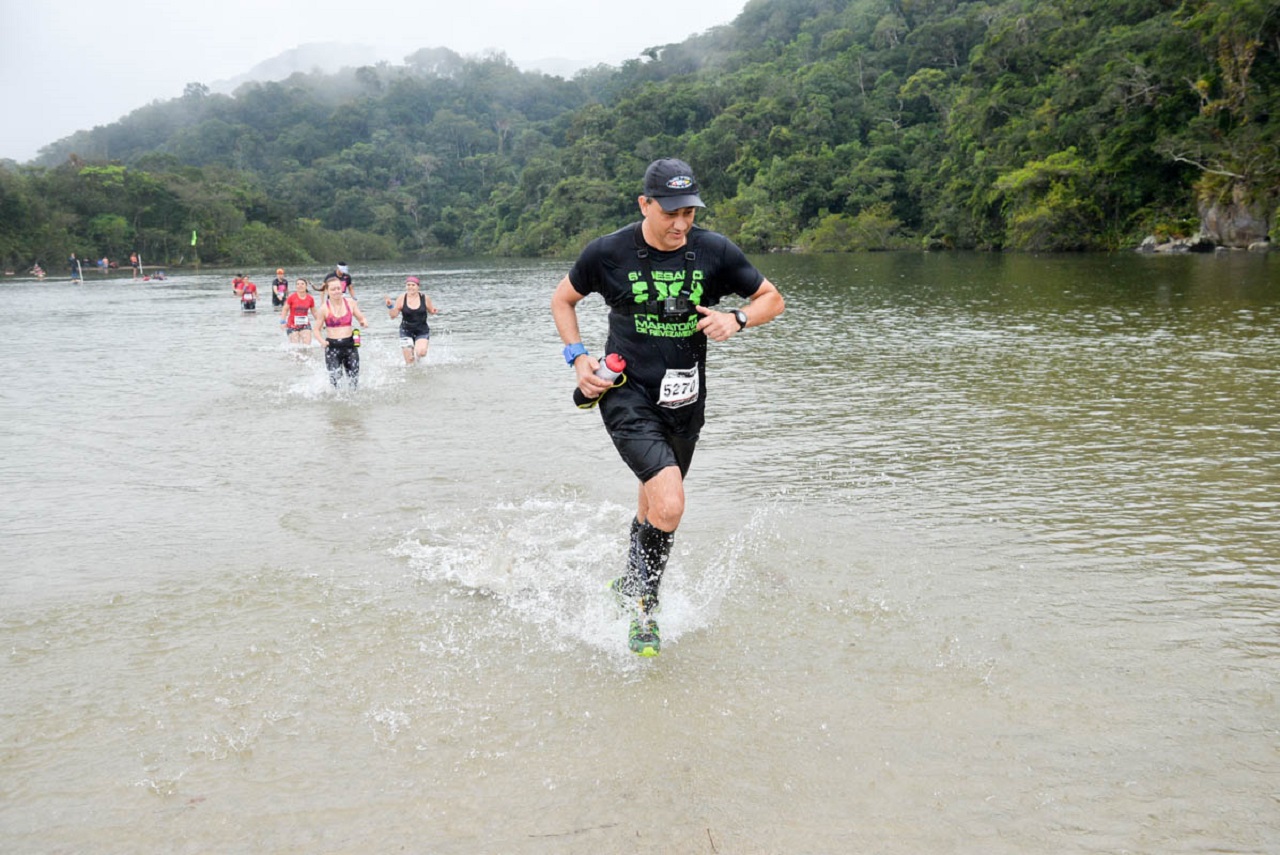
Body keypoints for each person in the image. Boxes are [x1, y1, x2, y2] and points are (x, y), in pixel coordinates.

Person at [550, 157, 785, 656]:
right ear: (646, 204)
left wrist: (737, 319)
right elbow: (562, 300)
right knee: (672, 504)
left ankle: (628, 581)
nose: (681, 224)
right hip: (626, 394)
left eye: (690, 213)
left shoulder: (714, 251)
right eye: (670, 213)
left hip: (685, 400)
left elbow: (772, 298)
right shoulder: (609, 253)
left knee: (654, 500)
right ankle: (643, 609)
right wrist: (578, 359)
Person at [315, 273, 368, 388]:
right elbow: (316, 330)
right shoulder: (323, 308)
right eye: (333, 289)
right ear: (327, 291)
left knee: (353, 380)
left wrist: (363, 322)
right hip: (332, 347)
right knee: (335, 383)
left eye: (338, 288)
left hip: (350, 345)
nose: (336, 291)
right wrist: (322, 342)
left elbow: (361, 317)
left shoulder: (350, 303)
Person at [385, 275, 439, 365]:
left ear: (418, 287)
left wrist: (434, 311)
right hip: (406, 330)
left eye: (413, 285)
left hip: (422, 330)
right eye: (408, 285)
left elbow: (431, 310)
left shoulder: (425, 298)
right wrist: (390, 306)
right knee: (409, 362)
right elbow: (393, 316)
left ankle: (418, 360)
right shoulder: (402, 298)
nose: (410, 287)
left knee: (421, 353)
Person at [281, 278, 317, 344]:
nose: (300, 286)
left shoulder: (310, 298)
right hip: (292, 324)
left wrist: (319, 322)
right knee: (295, 346)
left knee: (307, 345)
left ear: (306, 286)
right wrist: (282, 322)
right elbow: (285, 309)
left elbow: (314, 312)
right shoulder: (291, 297)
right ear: (296, 286)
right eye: (298, 284)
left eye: (302, 284)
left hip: (305, 324)